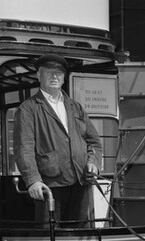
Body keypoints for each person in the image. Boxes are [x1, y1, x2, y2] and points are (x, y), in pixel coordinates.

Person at [12, 53, 103, 226]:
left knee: (81, 234)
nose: (54, 76)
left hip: (80, 181)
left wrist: (93, 162)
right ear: (39, 75)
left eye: (59, 73)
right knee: (51, 236)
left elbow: (94, 141)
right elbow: (24, 148)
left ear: (63, 78)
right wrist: (33, 180)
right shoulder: (28, 109)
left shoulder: (76, 107)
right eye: (49, 72)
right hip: (50, 185)